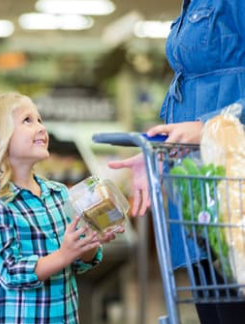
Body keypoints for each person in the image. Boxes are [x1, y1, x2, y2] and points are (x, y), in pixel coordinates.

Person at [109, 1, 245, 323]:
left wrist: (207, 126)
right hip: (200, 191)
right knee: (214, 311)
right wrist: (158, 153)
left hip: (235, 192)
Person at [0, 92, 121, 324]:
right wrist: (64, 254)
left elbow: (78, 264)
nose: (41, 127)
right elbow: (9, 271)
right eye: (27, 121)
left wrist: (88, 242)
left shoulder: (58, 193)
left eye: (40, 119)